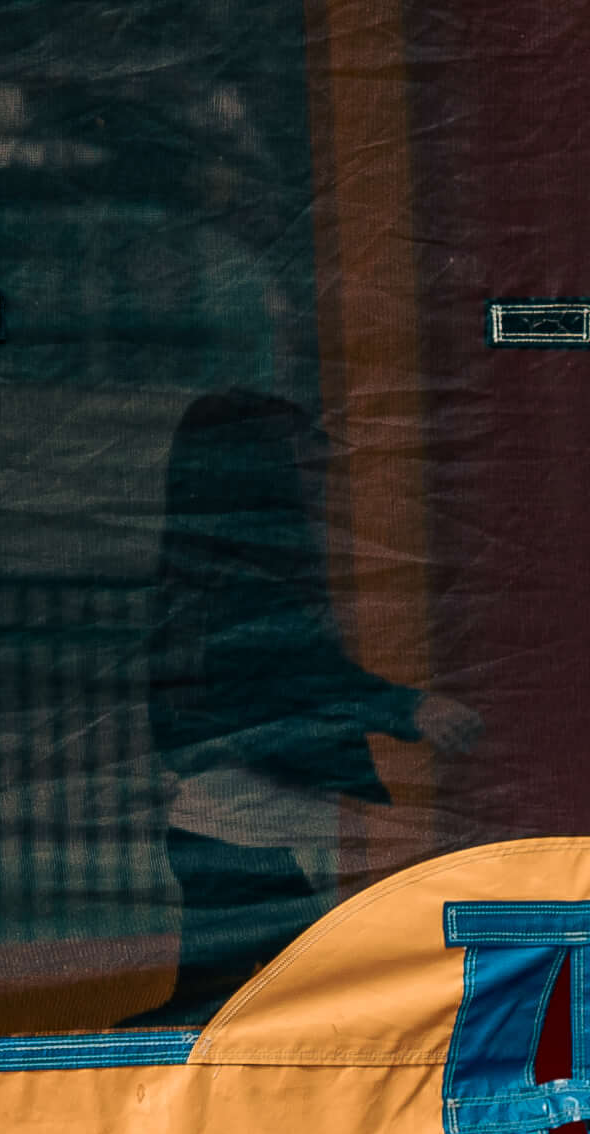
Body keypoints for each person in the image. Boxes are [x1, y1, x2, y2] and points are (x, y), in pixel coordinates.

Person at [150, 388, 448, 1025]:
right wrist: (409, 711)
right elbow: (299, 686)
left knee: (222, 1004)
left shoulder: (211, 578)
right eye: (306, 462)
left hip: (232, 828)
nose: (324, 476)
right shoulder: (250, 586)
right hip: (246, 830)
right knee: (314, 996)